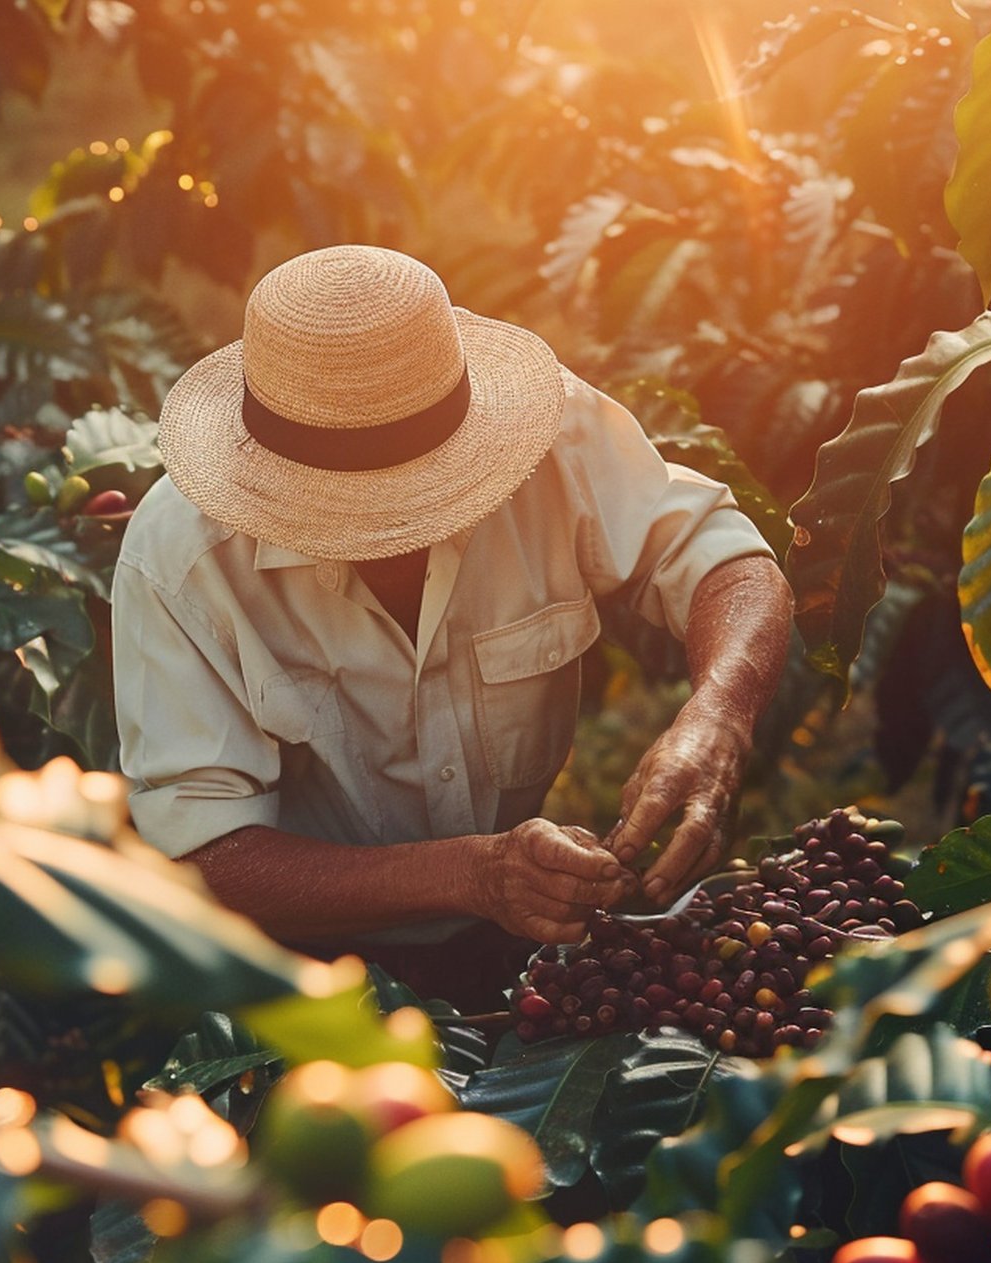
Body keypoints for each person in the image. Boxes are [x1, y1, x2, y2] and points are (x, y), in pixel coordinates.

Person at [113, 245, 792, 1008]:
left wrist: (719, 717)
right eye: (346, 505)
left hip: (519, 938)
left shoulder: (551, 442)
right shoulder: (180, 560)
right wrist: (470, 874)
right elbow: (202, 853)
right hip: (299, 976)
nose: (390, 529)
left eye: (415, 496)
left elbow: (723, 561)